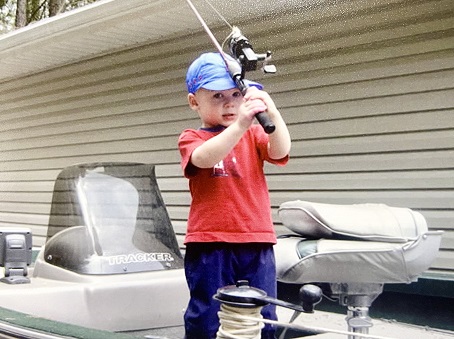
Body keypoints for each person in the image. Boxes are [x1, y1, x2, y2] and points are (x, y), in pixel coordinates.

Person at [178, 52, 291, 339]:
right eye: (217, 96)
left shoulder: (254, 135)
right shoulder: (192, 137)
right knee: (208, 315)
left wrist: (272, 111)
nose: (229, 103)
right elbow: (203, 159)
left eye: (236, 94)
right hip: (210, 242)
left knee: (263, 315)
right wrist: (240, 125)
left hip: (257, 239)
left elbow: (280, 150)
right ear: (194, 102)